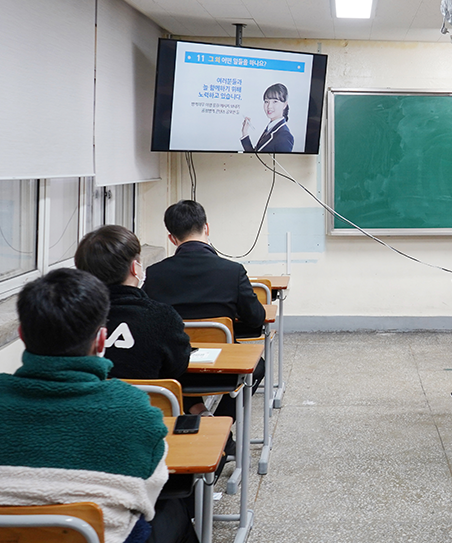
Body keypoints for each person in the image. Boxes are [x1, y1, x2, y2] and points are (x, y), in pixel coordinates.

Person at [0, 268, 198, 543]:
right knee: (172, 509)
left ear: (22, 334)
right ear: (102, 339)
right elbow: (148, 497)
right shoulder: (134, 410)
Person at [144, 200, 265, 433]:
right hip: (221, 367)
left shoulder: (155, 274)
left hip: (174, 369)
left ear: (172, 238)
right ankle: (221, 426)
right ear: (207, 228)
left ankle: (198, 410)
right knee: (256, 367)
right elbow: (256, 320)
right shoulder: (232, 271)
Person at [74, 225, 193, 382]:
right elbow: (177, 368)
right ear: (135, 267)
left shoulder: (70, 318)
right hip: (144, 404)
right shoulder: (162, 317)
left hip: (80, 405)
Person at [240, 83, 294, 153]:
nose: (269, 106)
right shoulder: (271, 128)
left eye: (275, 101)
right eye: (266, 102)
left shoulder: (284, 135)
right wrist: (245, 132)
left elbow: (281, 163)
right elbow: (255, 156)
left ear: (285, 105)